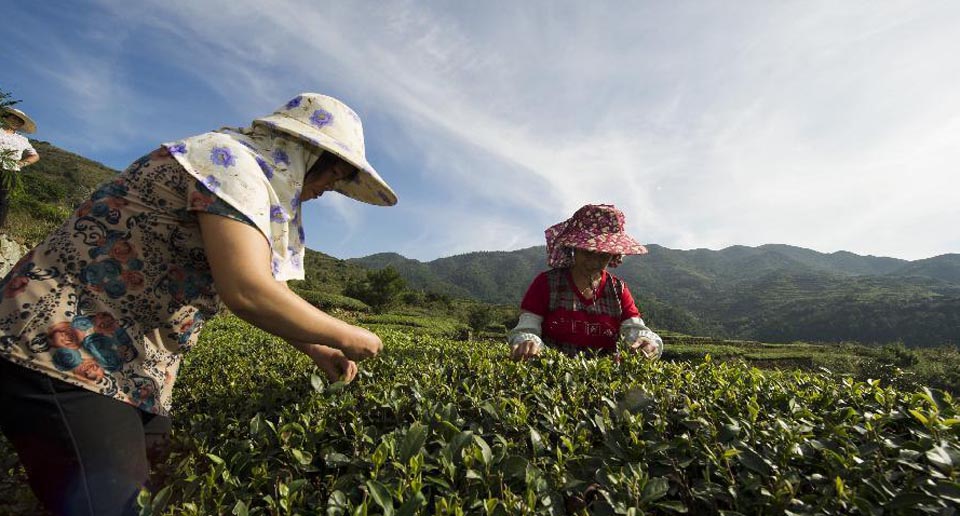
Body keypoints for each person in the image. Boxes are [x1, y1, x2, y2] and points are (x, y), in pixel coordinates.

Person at [0, 93, 397, 515]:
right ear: (305, 153)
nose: (327, 189)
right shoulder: (229, 164)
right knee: (114, 504)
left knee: (157, 482)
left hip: (131, 362)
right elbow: (248, 291)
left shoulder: (246, 179)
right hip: (60, 341)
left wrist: (317, 346)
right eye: (332, 175)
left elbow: (265, 286)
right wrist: (348, 335)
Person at [508, 204, 663, 361]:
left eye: (603, 255)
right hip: (551, 371)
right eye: (587, 252)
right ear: (573, 248)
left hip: (603, 374)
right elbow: (527, 328)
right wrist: (529, 341)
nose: (594, 262)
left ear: (613, 254)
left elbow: (634, 329)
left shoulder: (618, 290)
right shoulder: (547, 283)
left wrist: (646, 341)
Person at [0, 107, 41, 228]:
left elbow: (35, 156)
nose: (16, 122)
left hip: (9, 173)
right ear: (6, 117)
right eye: (14, 118)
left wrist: (20, 163)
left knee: (3, 201)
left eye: (19, 121)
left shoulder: (22, 140)